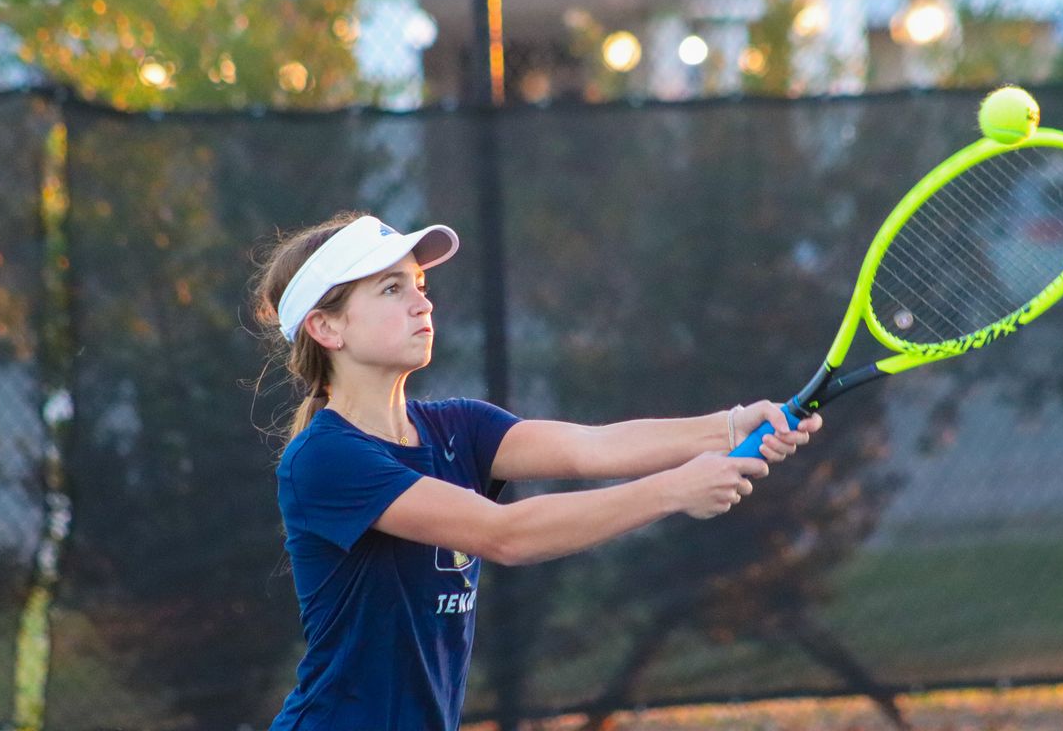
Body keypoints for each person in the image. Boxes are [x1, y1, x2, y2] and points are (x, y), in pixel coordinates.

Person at [250, 211, 823, 730]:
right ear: (327, 329)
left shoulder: (459, 428)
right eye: (392, 289)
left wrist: (729, 426)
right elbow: (506, 535)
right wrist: (675, 490)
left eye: (420, 287)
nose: (422, 304)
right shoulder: (326, 459)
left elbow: (592, 448)